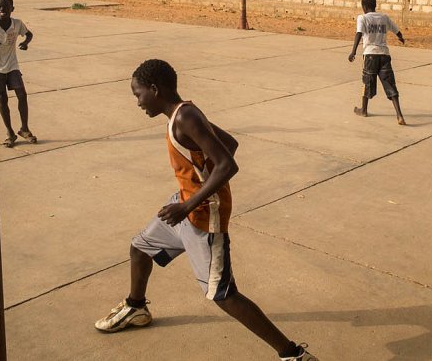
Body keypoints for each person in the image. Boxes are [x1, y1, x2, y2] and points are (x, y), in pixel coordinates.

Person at [95, 59, 317, 361]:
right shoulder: (182, 113)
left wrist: (188, 203)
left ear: (154, 89)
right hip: (185, 205)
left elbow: (228, 163)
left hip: (201, 215)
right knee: (140, 248)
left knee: (224, 295)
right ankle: (136, 307)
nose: (137, 102)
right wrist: (192, 188)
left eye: (137, 94)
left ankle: (292, 354)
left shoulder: (185, 117)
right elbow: (230, 143)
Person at [348, 0, 406, 125]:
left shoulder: (362, 18)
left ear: (364, 7)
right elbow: (396, 30)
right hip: (384, 55)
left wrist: (353, 52)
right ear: (375, 6)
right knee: (390, 84)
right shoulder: (384, 17)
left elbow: (359, 33)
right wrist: (401, 37)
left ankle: (364, 109)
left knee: (367, 82)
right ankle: (399, 115)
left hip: (370, 55)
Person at [0, 0, 37, 148]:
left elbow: (29, 34)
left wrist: (25, 42)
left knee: (22, 95)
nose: (1, 9)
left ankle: (24, 129)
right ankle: (9, 132)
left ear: (12, 9)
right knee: (2, 98)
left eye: (5, 6)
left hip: (12, 65)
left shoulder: (17, 24)